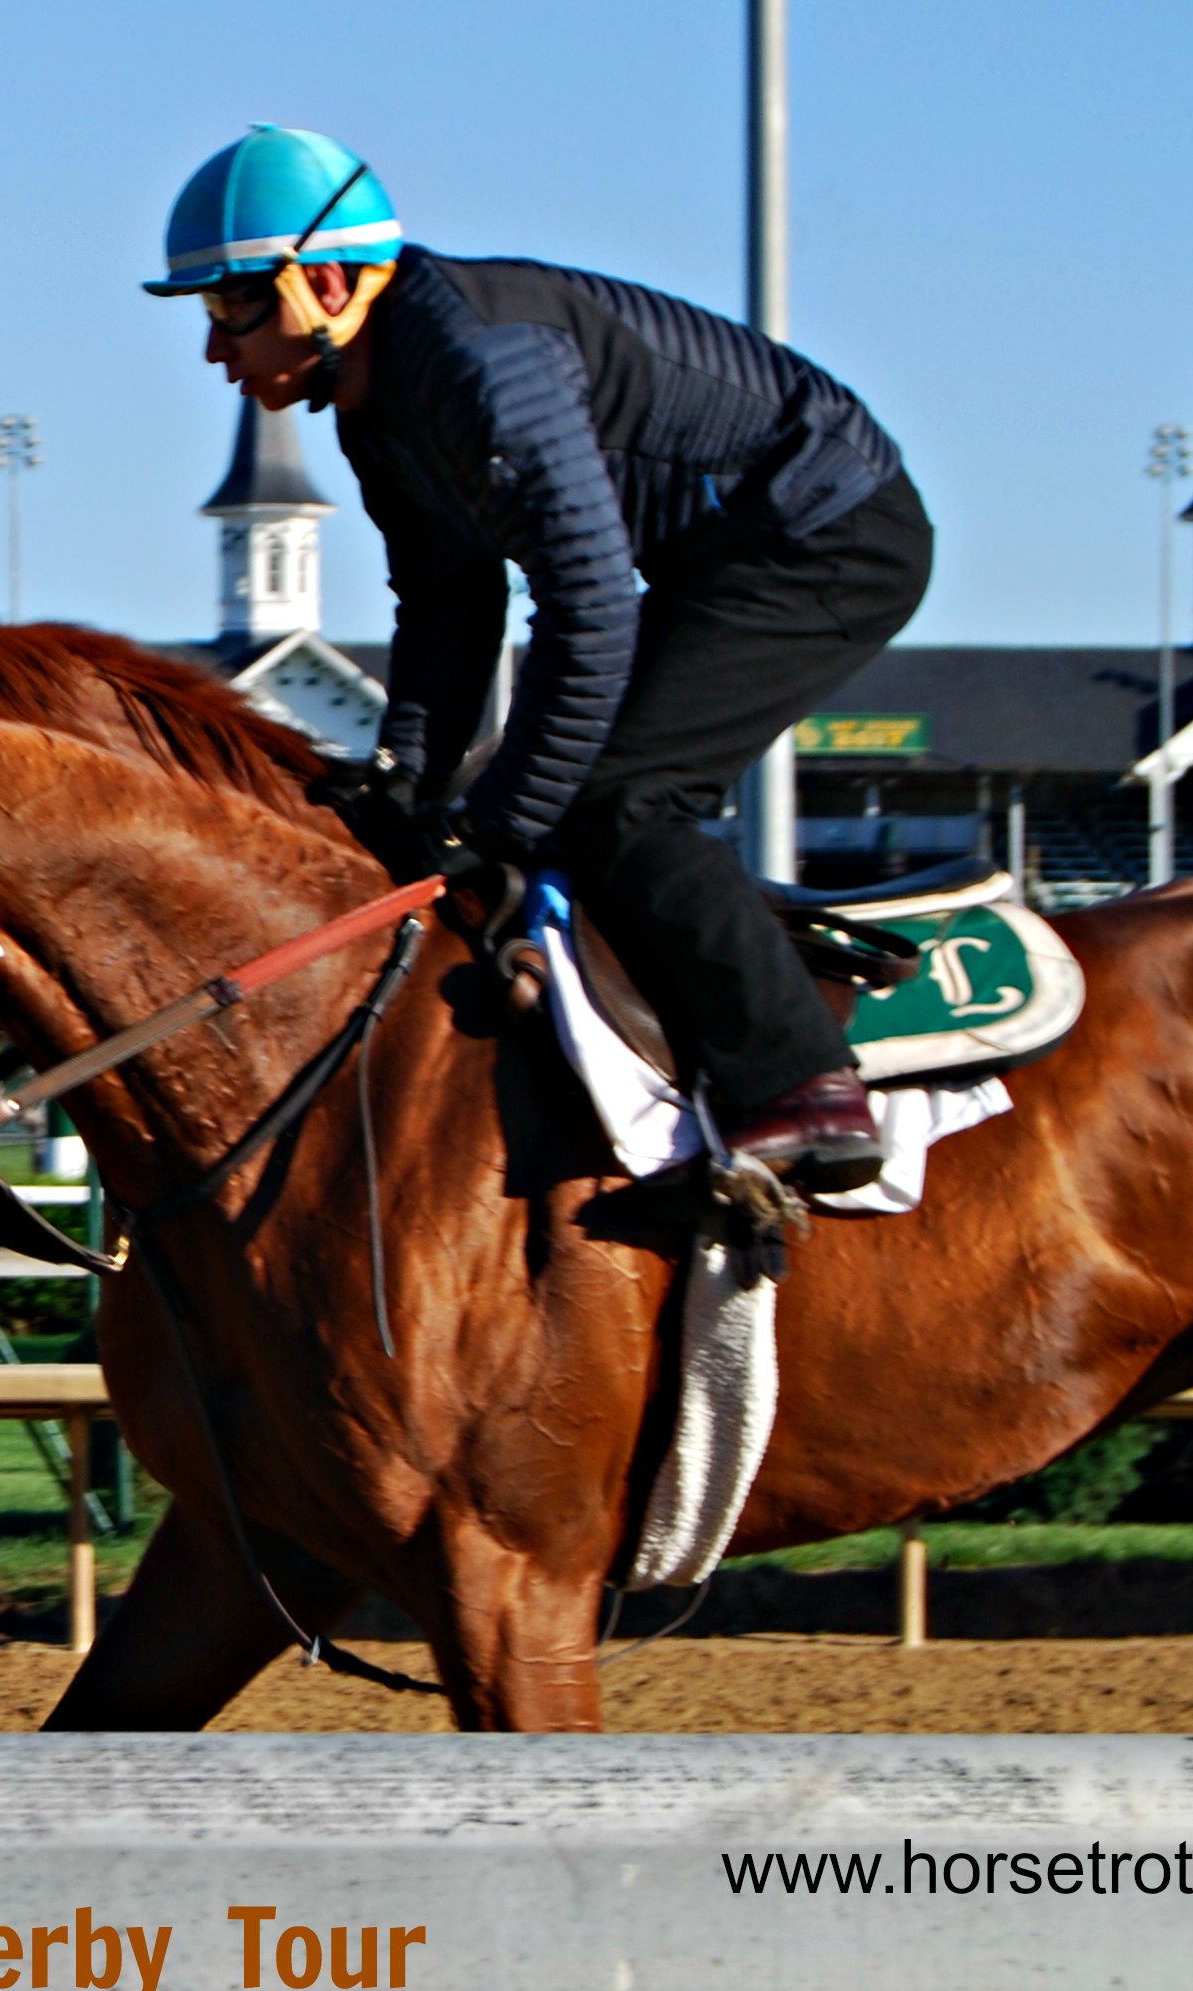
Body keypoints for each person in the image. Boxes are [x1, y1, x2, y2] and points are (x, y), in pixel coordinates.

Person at [147, 126, 934, 1192]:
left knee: (619, 801)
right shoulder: (374, 408)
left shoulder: (481, 370)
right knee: (516, 804)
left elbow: (587, 607)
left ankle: (804, 1087)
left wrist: (501, 819)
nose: (214, 350)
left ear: (324, 282)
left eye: (229, 308)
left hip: (826, 536)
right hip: (709, 562)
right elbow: (445, 606)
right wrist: (404, 791)